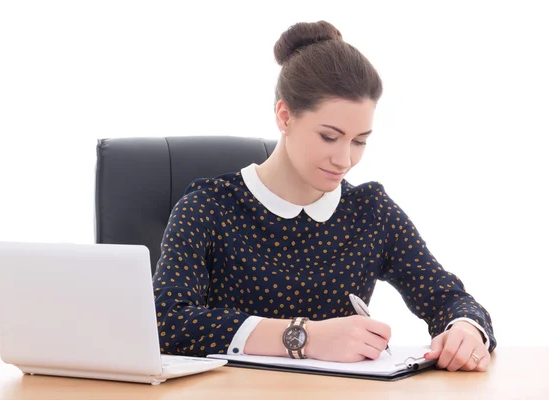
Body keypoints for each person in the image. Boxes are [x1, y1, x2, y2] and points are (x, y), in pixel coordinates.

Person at [152, 20, 496, 373]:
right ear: (285, 116)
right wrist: (305, 337)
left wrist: (465, 329)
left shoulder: (370, 212)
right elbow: (166, 323)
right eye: (329, 137)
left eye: (360, 141)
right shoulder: (208, 207)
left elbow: (449, 298)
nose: (345, 159)